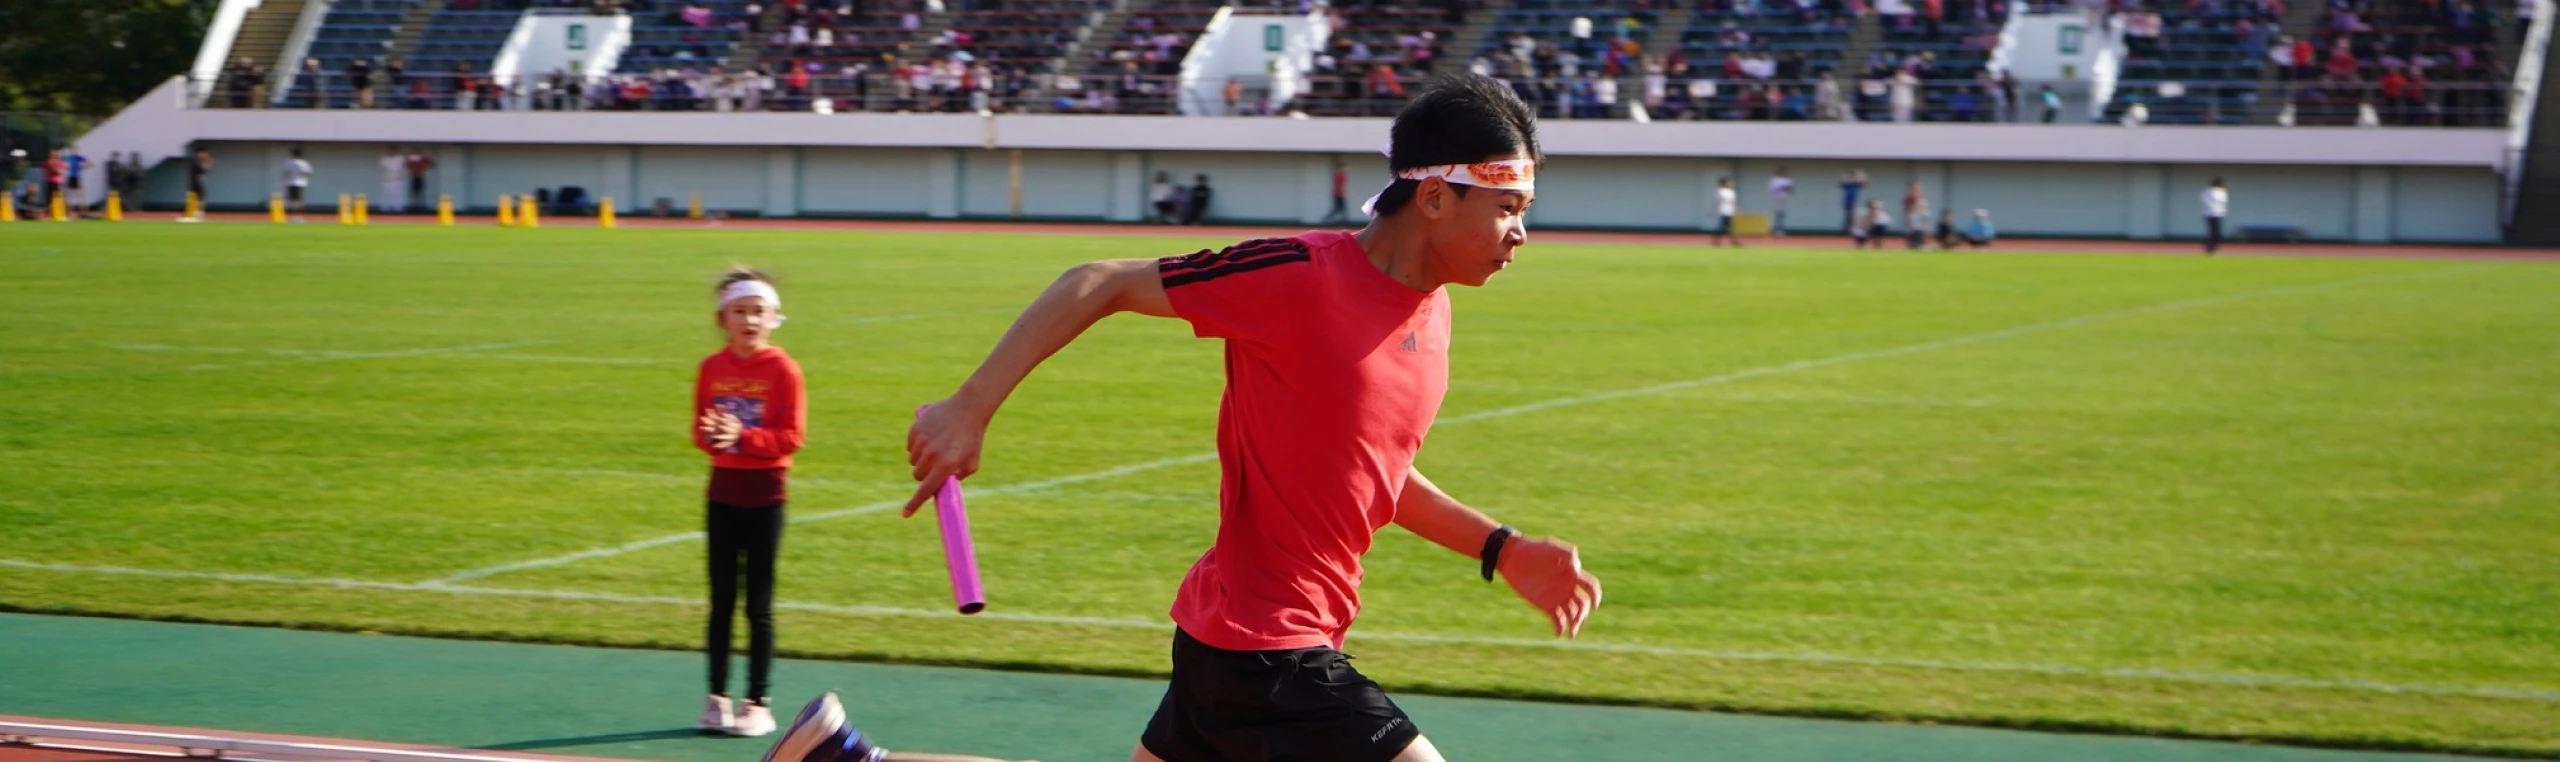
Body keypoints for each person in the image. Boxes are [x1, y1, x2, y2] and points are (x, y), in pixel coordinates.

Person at [766, 73, 1601, 762]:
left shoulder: (1433, 314)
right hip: (1269, 647)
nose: (1521, 232)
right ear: (1433, 198)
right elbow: (1100, 280)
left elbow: (1373, 472)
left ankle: (845, 760)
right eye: (1507, 207)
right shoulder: (1301, 277)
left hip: (1234, 635)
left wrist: (1501, 547)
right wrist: (969, 407)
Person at [692, 268, 805, 739]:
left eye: (759, 311)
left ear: (774, 318)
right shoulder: (711, 368)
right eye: (740, 311)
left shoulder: (783, 371)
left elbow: (792, 437)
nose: (750, 320)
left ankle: (758, 701)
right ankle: (716, 696)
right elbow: (699, 431)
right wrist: (715, 437)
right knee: (720, 600)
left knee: (757, 604)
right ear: (723, 319)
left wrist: (745, 436)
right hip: (723, 492)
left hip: (766, 495)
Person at [1708, 176, 1743, 247]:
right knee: (1726, 227)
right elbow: (1716, 202)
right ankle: (1732, 241)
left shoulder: (1732, 192)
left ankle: (1717, 241)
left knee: (1726, 227)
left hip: (1730, 212)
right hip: (1723, 211)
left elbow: (1734, 202)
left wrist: (1737, 210)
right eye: (1729, 182)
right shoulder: (1720, 191)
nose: (1731, 183)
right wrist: (1712, 211)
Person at [281, 147, 313, 222]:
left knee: (291, 200)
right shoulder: (304, 163)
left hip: (290, 182)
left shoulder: (289, 163)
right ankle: (298, 217)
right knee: (299, 200)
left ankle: (291, 217)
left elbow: (285, 173)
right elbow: (309, 172)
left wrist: (284, 181)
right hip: (301, 183)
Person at [184, 148, 213, 220]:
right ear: (199, 154)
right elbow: (202, 171)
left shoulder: (199, 162)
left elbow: (203, 172)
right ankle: (194, 214)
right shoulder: (195, 162)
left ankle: (199, 214)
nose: (205, 156)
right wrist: (208, 165)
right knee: (194, 198)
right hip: (195, 183)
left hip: (199, 183)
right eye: (204, 154)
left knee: (200, 199)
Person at [2201, 177, 2228, 255]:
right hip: (2210, 213)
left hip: (2219, 213)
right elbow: (2205, 199)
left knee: (2217, 233)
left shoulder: (2223, 191)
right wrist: (2212, 205)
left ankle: (2214, 247)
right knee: (2212, 232)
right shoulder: (2209, 190)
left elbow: (2223, 202)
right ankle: (2210, 248)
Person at [1323, 158, 1352, 225]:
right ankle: (1342, 221)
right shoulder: (1339, 175)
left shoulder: (1341, 175)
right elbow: (1338, 185)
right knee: (1339, 209)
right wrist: (1341, 194)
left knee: (1340, 209)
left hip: (1340, 194)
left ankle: (1342, 221)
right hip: (1339, 194)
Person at [378, 145, 407, 214]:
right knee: (386, 196)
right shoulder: (384, 159)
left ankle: (398, 210)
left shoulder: (400, 159)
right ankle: (384, 210)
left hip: (398, 180)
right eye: (391, 150)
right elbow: (381, 168)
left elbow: (404, 168)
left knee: (397, 196)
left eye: (394, 150)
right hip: (387, 180)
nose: (392, 152)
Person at [1766, 166, 1793, 238]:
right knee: (1777, 214)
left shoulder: (1788, 180)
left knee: (1782, 215)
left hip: (1784, 199)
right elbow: (1772, 189)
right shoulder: (1775, 180)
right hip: (1777, 199)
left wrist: (1787, 190)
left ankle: (1781, 230)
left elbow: (1791, 189)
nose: (1785, 173)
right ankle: (1776, 230)